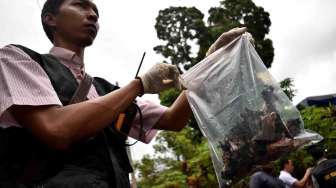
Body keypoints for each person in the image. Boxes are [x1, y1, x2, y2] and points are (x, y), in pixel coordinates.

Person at [0, 0, 248, 187]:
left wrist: (211, 61)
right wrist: (138, 85)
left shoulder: (107, 91)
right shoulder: (18, 58)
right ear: (50, 19)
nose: (92, 15)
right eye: (80, 5)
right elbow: (56, 129)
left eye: (96, 12)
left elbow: (173, 119)